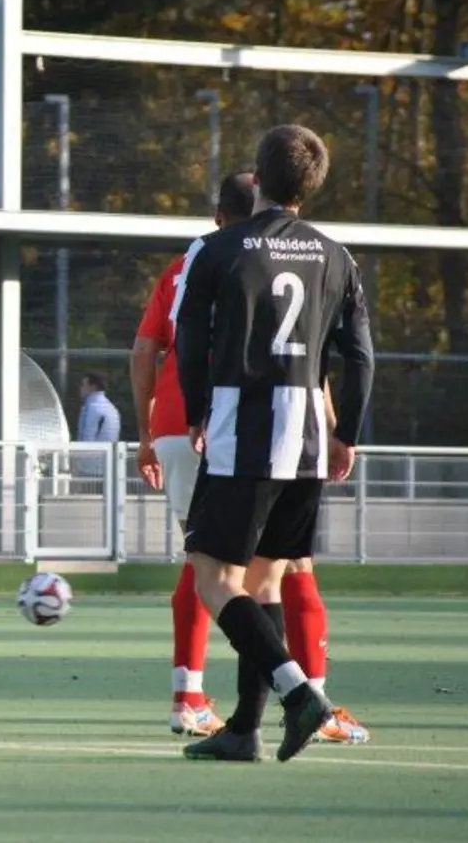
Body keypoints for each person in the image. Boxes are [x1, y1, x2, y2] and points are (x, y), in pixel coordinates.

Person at [132, 172, 370, 745]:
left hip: (232, 426)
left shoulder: (208, 255)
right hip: (301, 432)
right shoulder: (334, 255)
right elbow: (351, 354)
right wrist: (345, 431)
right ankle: (246, 718)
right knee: (268, 578)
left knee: (213, 571)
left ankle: (281, 697)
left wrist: (186, 416)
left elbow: (171, 341)